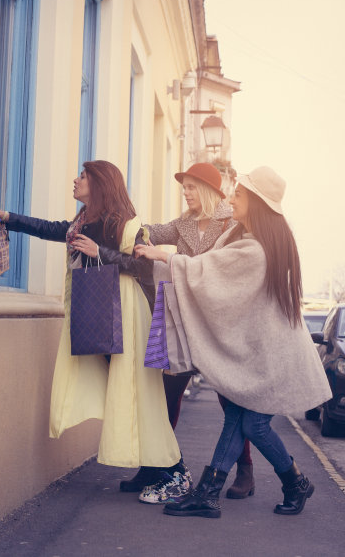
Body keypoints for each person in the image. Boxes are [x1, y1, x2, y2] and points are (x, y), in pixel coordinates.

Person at [135, 166, 332, 518]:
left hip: (270, 357)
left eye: (239, 194)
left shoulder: (257, 249)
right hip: (264, 353)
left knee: (251, 424)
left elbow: (211, 269)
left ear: (255, 203)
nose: (230, 197)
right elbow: (213, 265)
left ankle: (294, 482)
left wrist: (163, 256)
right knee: (238, 421)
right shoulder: (247, 238)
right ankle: (211, 493)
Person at [0, 160, 185, 480]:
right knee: (125, 391)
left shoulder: (129, 223)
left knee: (138, 391)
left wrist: (98, 252)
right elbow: (49, 228)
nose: (75, 180)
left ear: (100, 184)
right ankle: (148, 469)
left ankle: (172, 468)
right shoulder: (84, 221)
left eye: (83, 176)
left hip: (126, 315)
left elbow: (145, 268)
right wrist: (5, 216)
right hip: (98, 315)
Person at [122, 162, 255, 504]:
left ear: (209, 190)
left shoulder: (232, 222)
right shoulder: (182, 223)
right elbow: (151, 231)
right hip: (182, 322)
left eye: (192, 186)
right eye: (184, 187)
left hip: (217, 324)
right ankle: (155, 466)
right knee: (166, 396)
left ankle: (245, 469)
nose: (186, 191)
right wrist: (124, 225)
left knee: (231, 400)